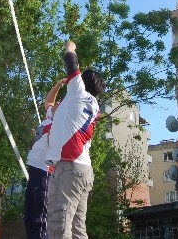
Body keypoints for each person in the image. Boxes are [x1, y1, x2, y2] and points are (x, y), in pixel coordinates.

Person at [45, 40, 105, 239]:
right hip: (83, 170)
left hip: (69, 168)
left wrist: (70, 47)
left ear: (82, 82)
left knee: (59, 225)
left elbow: (71, 62)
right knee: (78, 229)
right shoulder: (93, 106)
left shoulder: (78, 93)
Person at [24, 77, 67, 239]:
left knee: (39, 218)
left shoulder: (61, 123)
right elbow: (48, 101)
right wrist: (58, 85)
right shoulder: (50, 116)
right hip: (35, 169)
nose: (55, 105)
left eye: (59, 104)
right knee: (29, 214)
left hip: (44, 172)